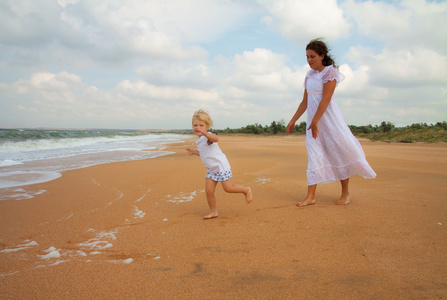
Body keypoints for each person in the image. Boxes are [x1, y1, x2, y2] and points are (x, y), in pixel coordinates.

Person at [287, 39, 376, 207]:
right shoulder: (309, 75)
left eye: (312, 56)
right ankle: (311, 196)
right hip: (313, 125)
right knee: (313, 156)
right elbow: (305, 102)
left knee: (338, 153)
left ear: (322, 55)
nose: (309, 60)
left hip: (329, 122)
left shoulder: (330, 72)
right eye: (307, 57)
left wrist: (315, 120)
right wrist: (293, 120)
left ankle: (345, 194)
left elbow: (326, 99)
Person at [186, 109, 253, 219]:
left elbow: (215, 139)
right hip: (211, 169)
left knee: (228, 188)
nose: (198, 127)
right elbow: (204, 153)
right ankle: (213, 211)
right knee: (209, 191)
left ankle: (246, 190)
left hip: (221, 167)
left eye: (201, 125)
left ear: (207, 126)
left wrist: (206, 134)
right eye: (195, 125)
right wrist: (194, 152)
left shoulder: (208, 137)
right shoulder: (199, 140)